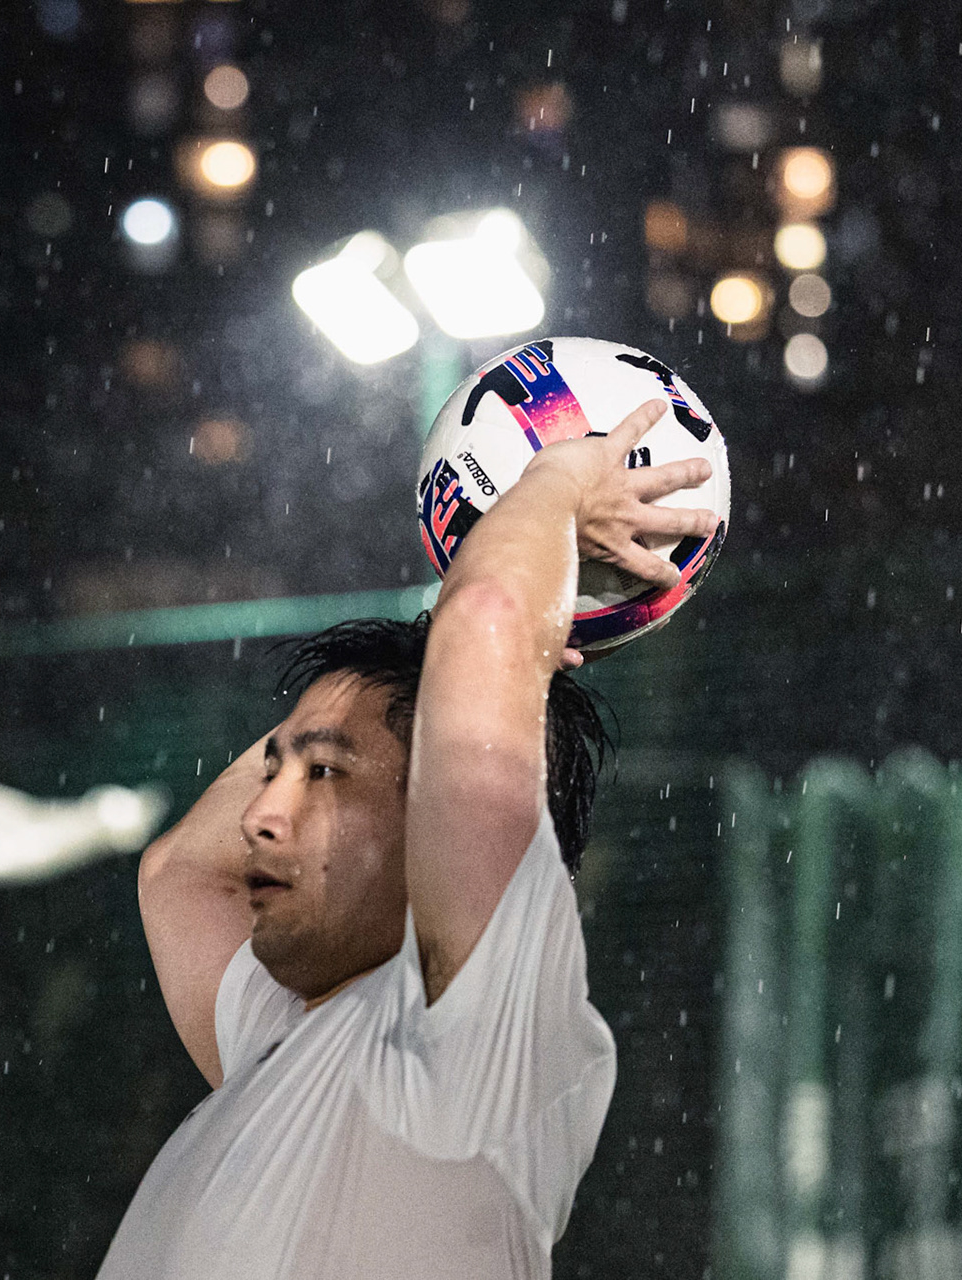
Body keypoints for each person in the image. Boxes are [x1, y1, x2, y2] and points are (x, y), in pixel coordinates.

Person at [97, 400, 718, 1279]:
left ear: (437, 819)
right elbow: (181, 871)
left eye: (322, 775)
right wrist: (435, 640)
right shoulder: (287, 1045)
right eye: (274, 771)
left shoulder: (482, 1041)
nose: (259, 816)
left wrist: (558, 484)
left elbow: (492, 616)